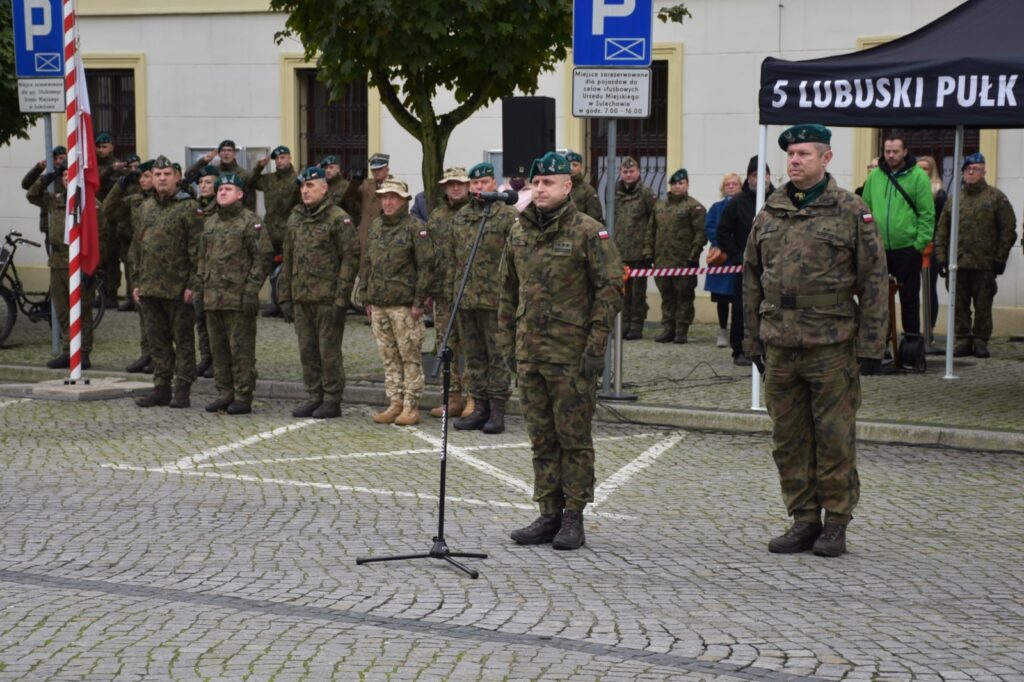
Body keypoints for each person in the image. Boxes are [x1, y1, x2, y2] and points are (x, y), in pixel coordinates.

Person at [743, 124, 888, 558]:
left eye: (805, 154)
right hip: (780, 345)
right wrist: (751, 340)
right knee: (788, 439)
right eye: (791, 154)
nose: (794, 161)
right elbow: (751, 277)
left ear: (826, 158)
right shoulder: (769, 210)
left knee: (834, 436)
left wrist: (872, 345)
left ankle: (836, 523)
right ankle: (803, 519)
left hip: (831, 342)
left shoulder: (849, 209)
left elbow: (874, 279)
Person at [499, 152, 624, 551]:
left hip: (571, 355)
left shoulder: (589, 231)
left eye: (548, 182)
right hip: (530, 352)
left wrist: (595, 347)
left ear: (567, 186)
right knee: (541, 437)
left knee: (573, 439)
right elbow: (506, 290)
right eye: (535, 183)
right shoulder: (518, 231)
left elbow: (610, 290)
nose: (539, 189)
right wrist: (507, 345)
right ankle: (548, 511)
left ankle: (573, 516)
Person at [278, 166, 361, 419]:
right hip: (302, 298)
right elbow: (288, 259)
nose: (305, 190)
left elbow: (350, 258)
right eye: (302, 186)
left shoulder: (338, 218)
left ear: (324, 188)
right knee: (307, 350)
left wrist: (341, 298)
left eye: (310, 186)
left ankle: (332, 398)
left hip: (327, 299)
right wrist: (284, 296)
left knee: (329, 352)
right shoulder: (295, 218)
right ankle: (314, 395)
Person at [355, 177, 436, 426]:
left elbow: (426, 265)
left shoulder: (415, 227)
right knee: (388, 357)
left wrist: (418, 302)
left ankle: (411, 405)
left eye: (393, 197)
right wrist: (366, 297)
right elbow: (368, 262)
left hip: (404, 305)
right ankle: (395, 402)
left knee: (409, 356)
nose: (388, 202)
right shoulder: (377, 225)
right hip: (379, 303)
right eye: (385, 197)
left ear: (404, 200)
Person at [195, 173, 273, 414]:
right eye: (219, 189)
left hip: (238, 298)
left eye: (228, 189)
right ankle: (224, 392)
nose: (222, 192)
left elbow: (263, 258)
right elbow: (202, 260)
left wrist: (251, 291)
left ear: (240, 194)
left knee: (240, 350)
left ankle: (242, 394)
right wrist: (200, 289)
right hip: (213, 298)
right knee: (218, 350)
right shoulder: (211, 223)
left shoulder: (250, 222)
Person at [449, 162, 517, 434]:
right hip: (466, 299)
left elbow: (515, 261)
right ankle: (479, 407)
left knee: (497, 356)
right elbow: (454, 259)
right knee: (474, 357)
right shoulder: (462, 217)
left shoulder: (507, 216)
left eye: (484, 182)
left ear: (494, 183)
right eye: (475, 183)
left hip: (495, 300)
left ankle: (498, 410)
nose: (479, 187)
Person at [132, 156, 203, 409]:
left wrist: (192, 285)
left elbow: (198, 251)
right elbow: (138, 248)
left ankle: (182, 389)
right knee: (157, 341)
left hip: (177, 288)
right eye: (157, 174)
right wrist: (136, 281)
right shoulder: (147, 207)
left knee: (182, 341)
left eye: (166, 174)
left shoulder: (189, 208)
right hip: (150, 287)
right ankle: (161, 387)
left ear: (177, 177)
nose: (162, 178)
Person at [934, 153, 1017, 359]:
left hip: (984, 263)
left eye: (977, 169)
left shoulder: (996, 197)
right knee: (959, 305)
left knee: (983, 305)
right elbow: (942, 230)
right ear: (962, 173)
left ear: (984, 172)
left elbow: (1008, 229)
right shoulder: (954, 199)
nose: (972, 173)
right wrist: (941, 257)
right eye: (968, 170)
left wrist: (1001, 258)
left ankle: (981, 340)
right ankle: (962, 340)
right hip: (958, 262)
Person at [861, 136, 934, 338]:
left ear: (905, 152)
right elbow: (864, 209)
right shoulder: (875, 176)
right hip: (879, 249)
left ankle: (911, 344)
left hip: (907, 249)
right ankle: (881, 345)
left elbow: (927, 214)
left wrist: (919, 244)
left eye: (895, 151)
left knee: (909, 298)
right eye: (887, 151)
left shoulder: (918, 176)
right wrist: (868, 242)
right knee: (879, 300)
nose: (891, 155)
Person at [27, 167, 96, 370]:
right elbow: (32, 195)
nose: (68, 178)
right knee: (63, 311)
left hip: (79, 264)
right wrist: (45, 178)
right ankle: (68, 351)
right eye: (65, 175)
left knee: (82, 311)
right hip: (57, 263)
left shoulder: (89, 204)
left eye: (71, 175)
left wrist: (92, 268)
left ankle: (83, 353)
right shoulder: (54, 200)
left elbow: (99, 238)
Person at [718, 156, 774, 366]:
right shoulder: (737, 202)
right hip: (744, 266)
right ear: (749, 177)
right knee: (743, 308)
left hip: (772, 266)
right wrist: (736, 254)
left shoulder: (778, 199)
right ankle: (740, 349)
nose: (760, 179)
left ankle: (768, 347)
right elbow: (723, 230)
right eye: (754, 175)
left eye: (764, 174)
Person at [426, 166, 472, 419]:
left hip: (469, 292)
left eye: (460, 184)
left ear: (468, 186)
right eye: (451, 184)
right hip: (443, 292)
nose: (455, 188)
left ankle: (474, 396)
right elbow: (430, 255)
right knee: (447, 346)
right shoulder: (437, 216)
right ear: (444, 187)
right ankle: (453, 396)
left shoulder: (474, 213)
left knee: (472, 346)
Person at [105, 159, 157, 374]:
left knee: (158, 314)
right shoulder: (134, 201)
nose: (144, 180)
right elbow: (108, 209)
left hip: (162, 266)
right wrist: (121, 183)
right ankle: (147, 354)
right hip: (138, 264)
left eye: (148, 176)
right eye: (141, 177)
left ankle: (160, 356)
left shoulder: (169, 201)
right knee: (143, 311)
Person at [652, 168, 707, 344]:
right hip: (662, 260)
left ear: (687, 185)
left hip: (684, 261)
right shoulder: (660, 206)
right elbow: (651, 230)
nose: (677, 187)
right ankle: (668, 328)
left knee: (684, 296)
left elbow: (700, 234)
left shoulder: (695, 207)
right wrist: (648, 253)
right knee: (667, 296)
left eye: (680, 183)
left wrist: (693, 256)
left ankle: (682, 330)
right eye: (674, 184)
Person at [251, 145, 300, 318]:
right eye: (277, 159)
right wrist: (259, 167)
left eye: (283, 157)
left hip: (288, 231)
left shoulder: (297, 179)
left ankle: (288, 306)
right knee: (271, 269)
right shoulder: (269, 179)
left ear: (290, 158)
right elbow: (250, 182)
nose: (280, 161)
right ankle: (275, 304)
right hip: (270, 232)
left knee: (288, 270)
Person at [614, 156, 656, 340]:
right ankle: (623, 324)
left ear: (638, 172)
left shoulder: (645, 192)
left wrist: (649, 249)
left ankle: (636, 325)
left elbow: (654, 221)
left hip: (639, 252)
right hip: (619, 252)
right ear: (620, 173)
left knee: (637, 293)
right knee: (621, 292)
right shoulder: (615, 191)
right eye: (625, 172)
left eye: (631, 172)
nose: (628, 175)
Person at [704, 173, 742, 348]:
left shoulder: (745, 206)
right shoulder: (716, 207)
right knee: (721, 299)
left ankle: (738, 332)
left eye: (735, 184)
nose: (731, 186)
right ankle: (722, 330)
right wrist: (723, 244)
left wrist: (734, 247)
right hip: (721, 257)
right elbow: (710, 227)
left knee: (739, 298)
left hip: (737, 257)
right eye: (728, 184)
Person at [191, 165, 220, 378]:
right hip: (197, 271)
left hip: (216, 273)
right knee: (200, 319)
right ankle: (206, 357)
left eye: (208, 182)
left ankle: (218, 361)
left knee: (215, 322)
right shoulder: (194, 208)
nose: (203, 186)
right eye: (201, 183)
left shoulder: (220, 209)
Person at [917, 155, 948, 335]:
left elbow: (943, 224)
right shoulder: (911, 189)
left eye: (926, 169)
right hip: (912, 245)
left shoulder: (939, 193)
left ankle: (929, 329)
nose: (922, 172)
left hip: (932, 247)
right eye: (919, 169)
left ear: (932, 170)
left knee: (929, 289)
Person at [186, 140, 256, 211]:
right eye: (223, 150)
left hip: (235, 214)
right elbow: (189, 176)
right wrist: (204, 161)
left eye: (229, 150)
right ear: (219, 154)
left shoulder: (243, 174)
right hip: (212, 212)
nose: (226, 153)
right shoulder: (213, 171)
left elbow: (250, 201)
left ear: (234, 153)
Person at [22, 146, 68, 234]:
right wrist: (38, 168)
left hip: (66, 222)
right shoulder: (47, 178)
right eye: (55, 158)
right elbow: (26, 185)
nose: (58, 161)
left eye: (61, 158)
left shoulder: (69, 176)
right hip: (49, 223)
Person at [354, 152, 390, 248]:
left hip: (386, 231)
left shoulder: (397, 185)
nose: (376, 172)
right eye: (373, 170)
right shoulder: (366, 184)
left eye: (379, 169)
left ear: (387, 169)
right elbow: (352, 199)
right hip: (366, 232)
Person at [566, 152, 603, 222]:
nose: (571, 168)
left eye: (575, 165)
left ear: (581, 167)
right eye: (568, 165)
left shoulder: (588, 191)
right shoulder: (559, 188)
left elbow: (594, 219)